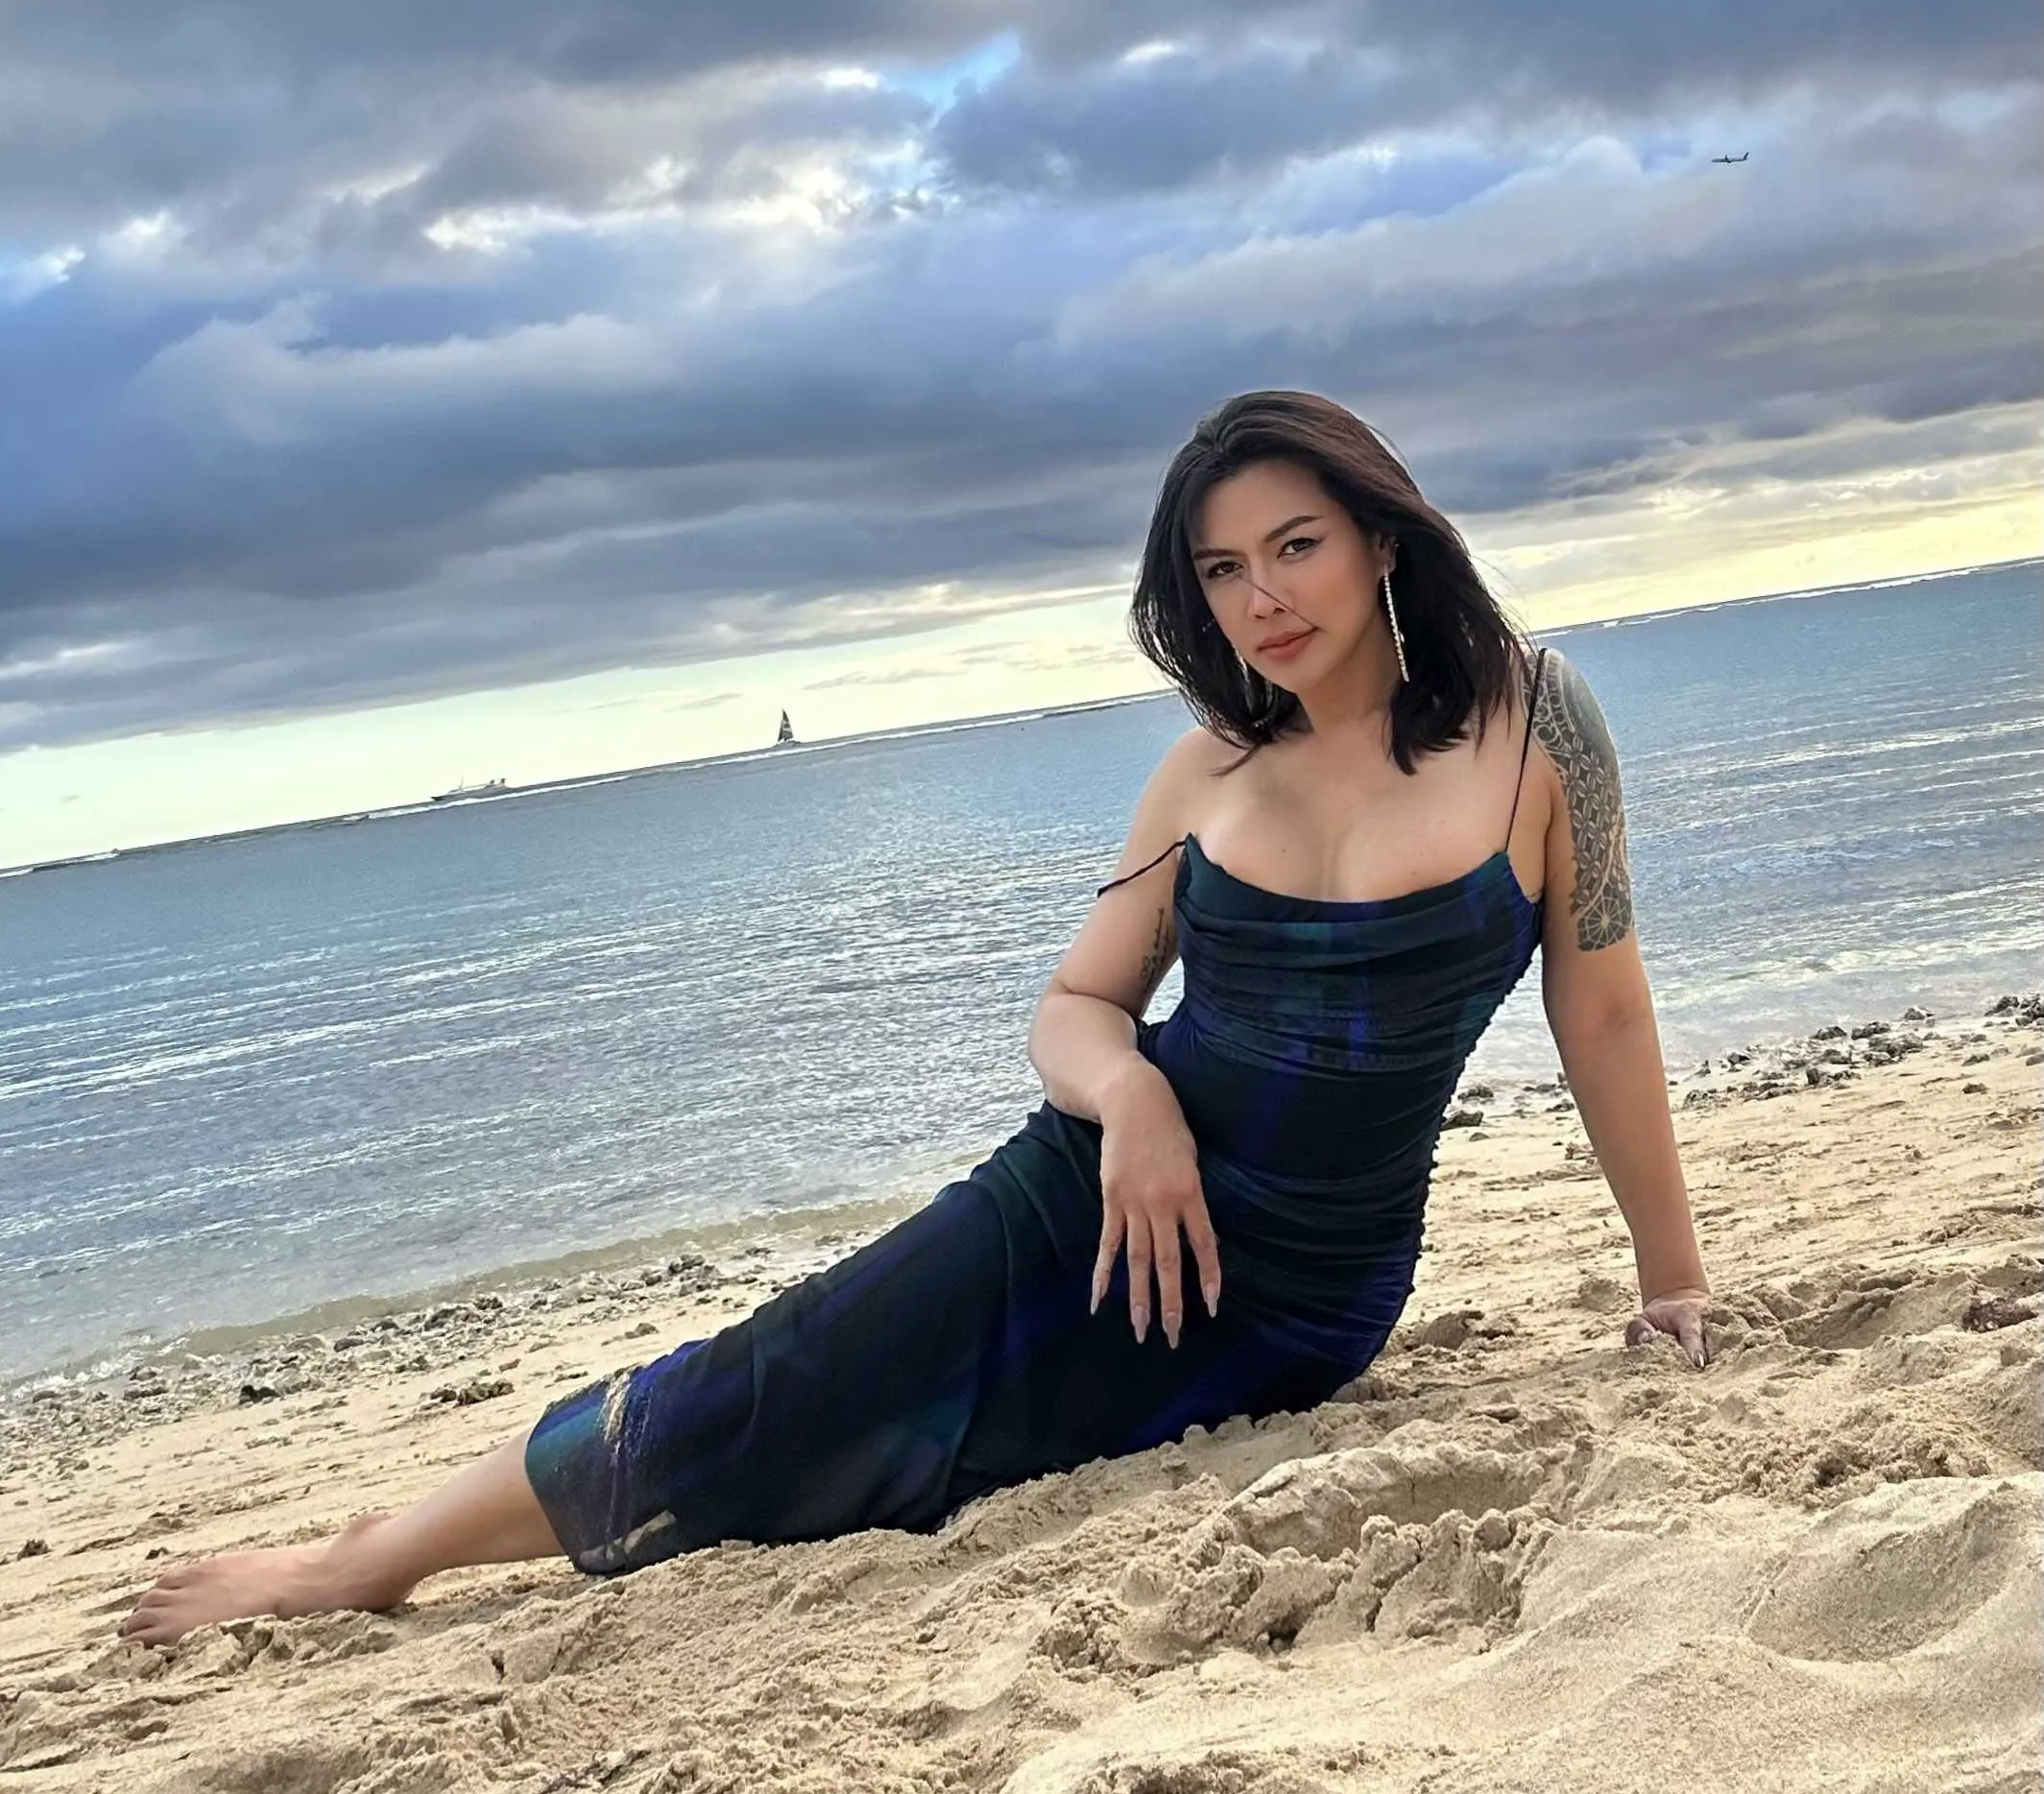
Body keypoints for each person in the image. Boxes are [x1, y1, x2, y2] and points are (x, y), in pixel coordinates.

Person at [121, 389, 1711, 1646]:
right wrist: (1135, 1102)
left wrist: (1672, 1282)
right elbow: (1079, 1005)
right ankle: (375, 1557)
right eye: (1223, 570)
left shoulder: (1538, 725)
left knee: (912, 1474)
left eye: (1293, 545)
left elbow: (1604, 1011)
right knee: (787, 1371)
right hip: (1085, 1203)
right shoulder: (1208, 772)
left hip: (1306, 1298)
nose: (1260, 597)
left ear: (1380, 538)